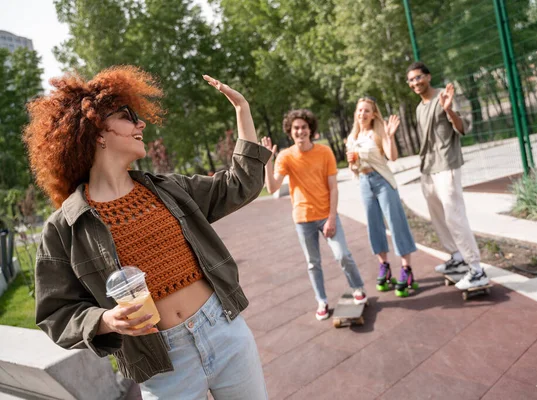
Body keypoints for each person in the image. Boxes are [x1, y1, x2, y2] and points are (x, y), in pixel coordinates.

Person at [24, 66, 270, 400]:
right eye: (127, 116)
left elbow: (240, 184)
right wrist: (106, 319)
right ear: (97, 131)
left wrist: (243, 110)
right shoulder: (64, 227)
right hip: (161, 363)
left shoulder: (169, 189)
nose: (141, 124)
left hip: (225, 332)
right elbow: (55, 312)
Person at [261, 109, 367, 320]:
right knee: (313, 263)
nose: (300, 131)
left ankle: (357, 287)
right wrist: (267, 161)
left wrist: (331, 218)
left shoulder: (325, 152)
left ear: (310, 130)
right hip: (303, 218)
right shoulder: (285, 156)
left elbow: (333, 188)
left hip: (326, 214)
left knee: (342, 254)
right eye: (296, 128)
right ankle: (322, 301)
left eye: (304, 127)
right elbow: (272, 187)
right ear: (290, 132)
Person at [406, 61, 489, 290]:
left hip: (447, 165)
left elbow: (462, 129)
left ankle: (477, 269)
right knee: (438, 216)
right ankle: (457, 256)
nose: (415, 82)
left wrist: (449, 109)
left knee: (455, 217)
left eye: (418, 77)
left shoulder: (444, 95)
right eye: (411, 80)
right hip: (428, 169)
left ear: (428, 77)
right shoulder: (419, 107)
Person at [346, 97, 418, 297]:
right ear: (356, 113)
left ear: (373, 114)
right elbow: (353, 167)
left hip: (383, 182)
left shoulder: (377, 133)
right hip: (364, 182)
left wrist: (390, 137)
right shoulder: (352, 137)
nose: (363, 114)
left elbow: (392, 157)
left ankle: (406, 269)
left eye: (367, 111)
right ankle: (384, 266)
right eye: (360, 110)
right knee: (374, 225)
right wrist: (351, 162)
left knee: (396, 223)